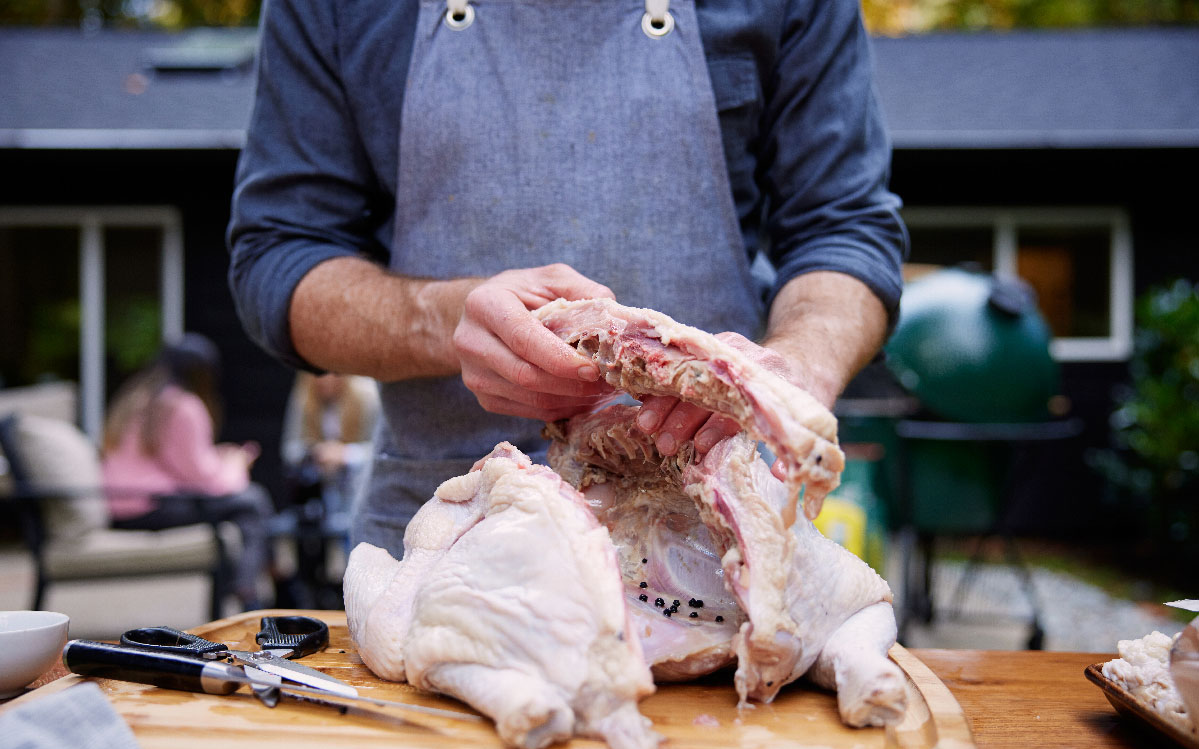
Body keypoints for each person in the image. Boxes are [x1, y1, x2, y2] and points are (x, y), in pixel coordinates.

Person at [228, 0, 908, 557]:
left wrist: (786, 374)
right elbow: (278, 257)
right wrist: (442, 318)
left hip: (714, 534)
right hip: (449, 543)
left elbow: (842, 227)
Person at [101, 333, 278, 608]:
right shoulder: (182, 406)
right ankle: (252, 591)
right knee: (252, 502)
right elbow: (206, 482)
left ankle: (246, 587)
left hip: (121, 505)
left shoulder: (135, 400)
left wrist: (216, 459)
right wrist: (236, 464)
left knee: (246, 513)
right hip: (152, 506)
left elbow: (178, 465)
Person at [280, 371, 379, 531]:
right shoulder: (304, 397)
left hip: (358, 486)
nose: (325, 380)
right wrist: (316, 452)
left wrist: (346, 454)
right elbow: (289, 449)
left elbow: (380, 451)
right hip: (319, 489)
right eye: (318, 374)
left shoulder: (366, 396)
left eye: (332, 373)